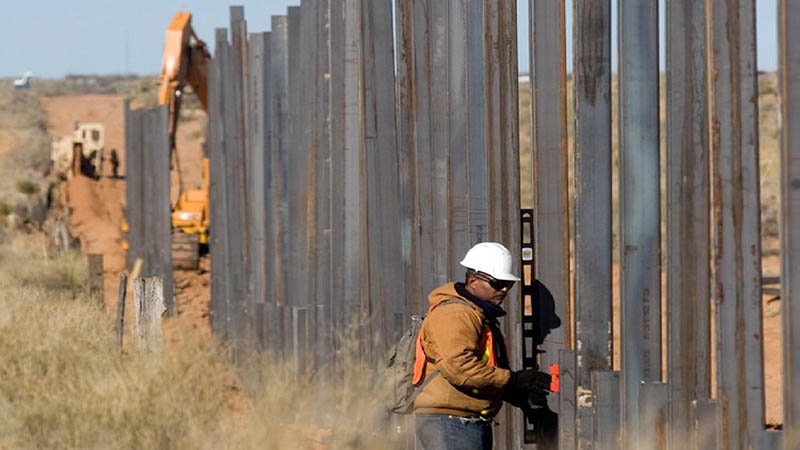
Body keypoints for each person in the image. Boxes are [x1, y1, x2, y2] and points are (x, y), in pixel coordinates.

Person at [414, 242, 552, 450]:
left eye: (509, 284)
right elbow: (460, 368)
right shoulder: (455, 314)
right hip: (450, 421)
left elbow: (477, 368)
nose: (504, 289)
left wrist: (515, 392)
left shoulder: (476, 314)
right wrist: (511, 380)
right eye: (498, 283)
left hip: (461, 420)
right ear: (473, 280)